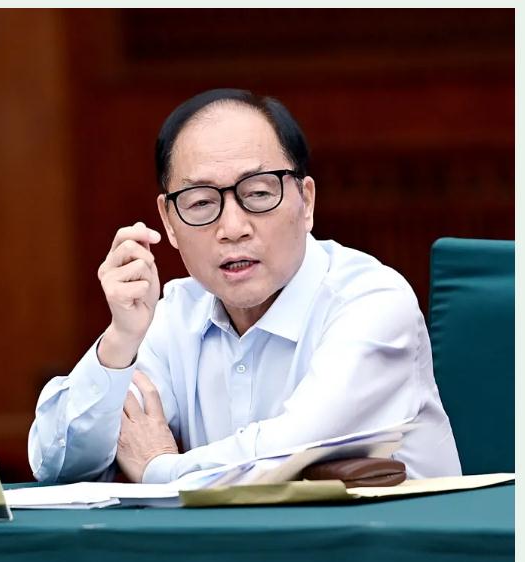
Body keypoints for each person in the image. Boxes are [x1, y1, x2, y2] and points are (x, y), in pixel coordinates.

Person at [29, 88, 461, 484]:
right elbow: (58, 465)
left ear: (306, 201)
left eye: (258, 194)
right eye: (201, 202)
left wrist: (160, 469)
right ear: (169, 223)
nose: (232, 228)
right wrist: (119, 342)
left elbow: (288, 452)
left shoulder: (372, 302)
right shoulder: (176, 313)